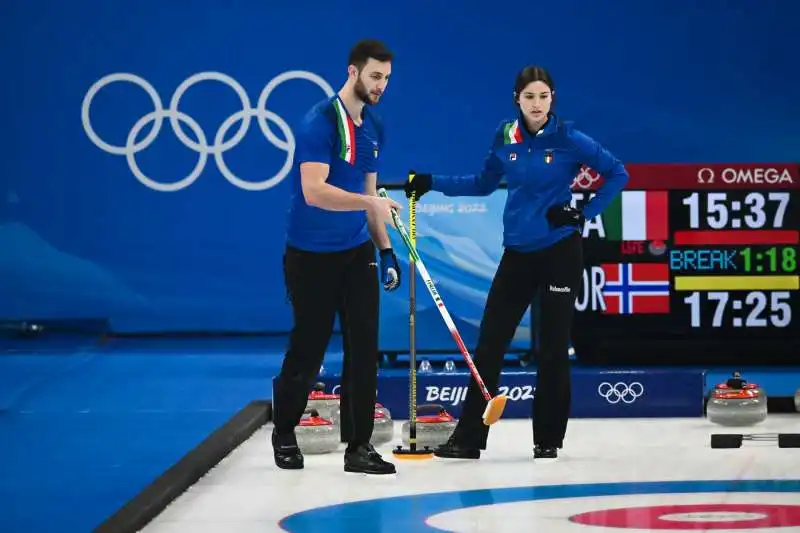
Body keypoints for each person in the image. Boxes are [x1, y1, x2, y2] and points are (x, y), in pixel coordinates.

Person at [404, 65, 629, 460]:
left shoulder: (569, 139)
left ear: (552, 99)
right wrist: (431, 181)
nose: (537, 104)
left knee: (554, 349)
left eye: (543, 97)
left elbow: (617, 173)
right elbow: (483, 183)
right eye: (530, 97)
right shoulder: (505, 136)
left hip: (560, 251)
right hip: (518, 254)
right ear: (517, 100)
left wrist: (583, 214)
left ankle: (547, 440)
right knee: (489, 346)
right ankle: (469, 439)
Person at [271, 39, 402, 475]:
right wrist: (372, 207)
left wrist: (385, 248)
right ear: (352, 72)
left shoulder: (375, 128)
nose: (380, 84)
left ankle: (358, 447)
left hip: (355, 252)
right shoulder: (319, 123)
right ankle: (285, 429)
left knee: (365, 347)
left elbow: (368, 195)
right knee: (309, 346)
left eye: (385, 77)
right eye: (374, 76)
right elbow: (315, 192)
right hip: (309, 255)